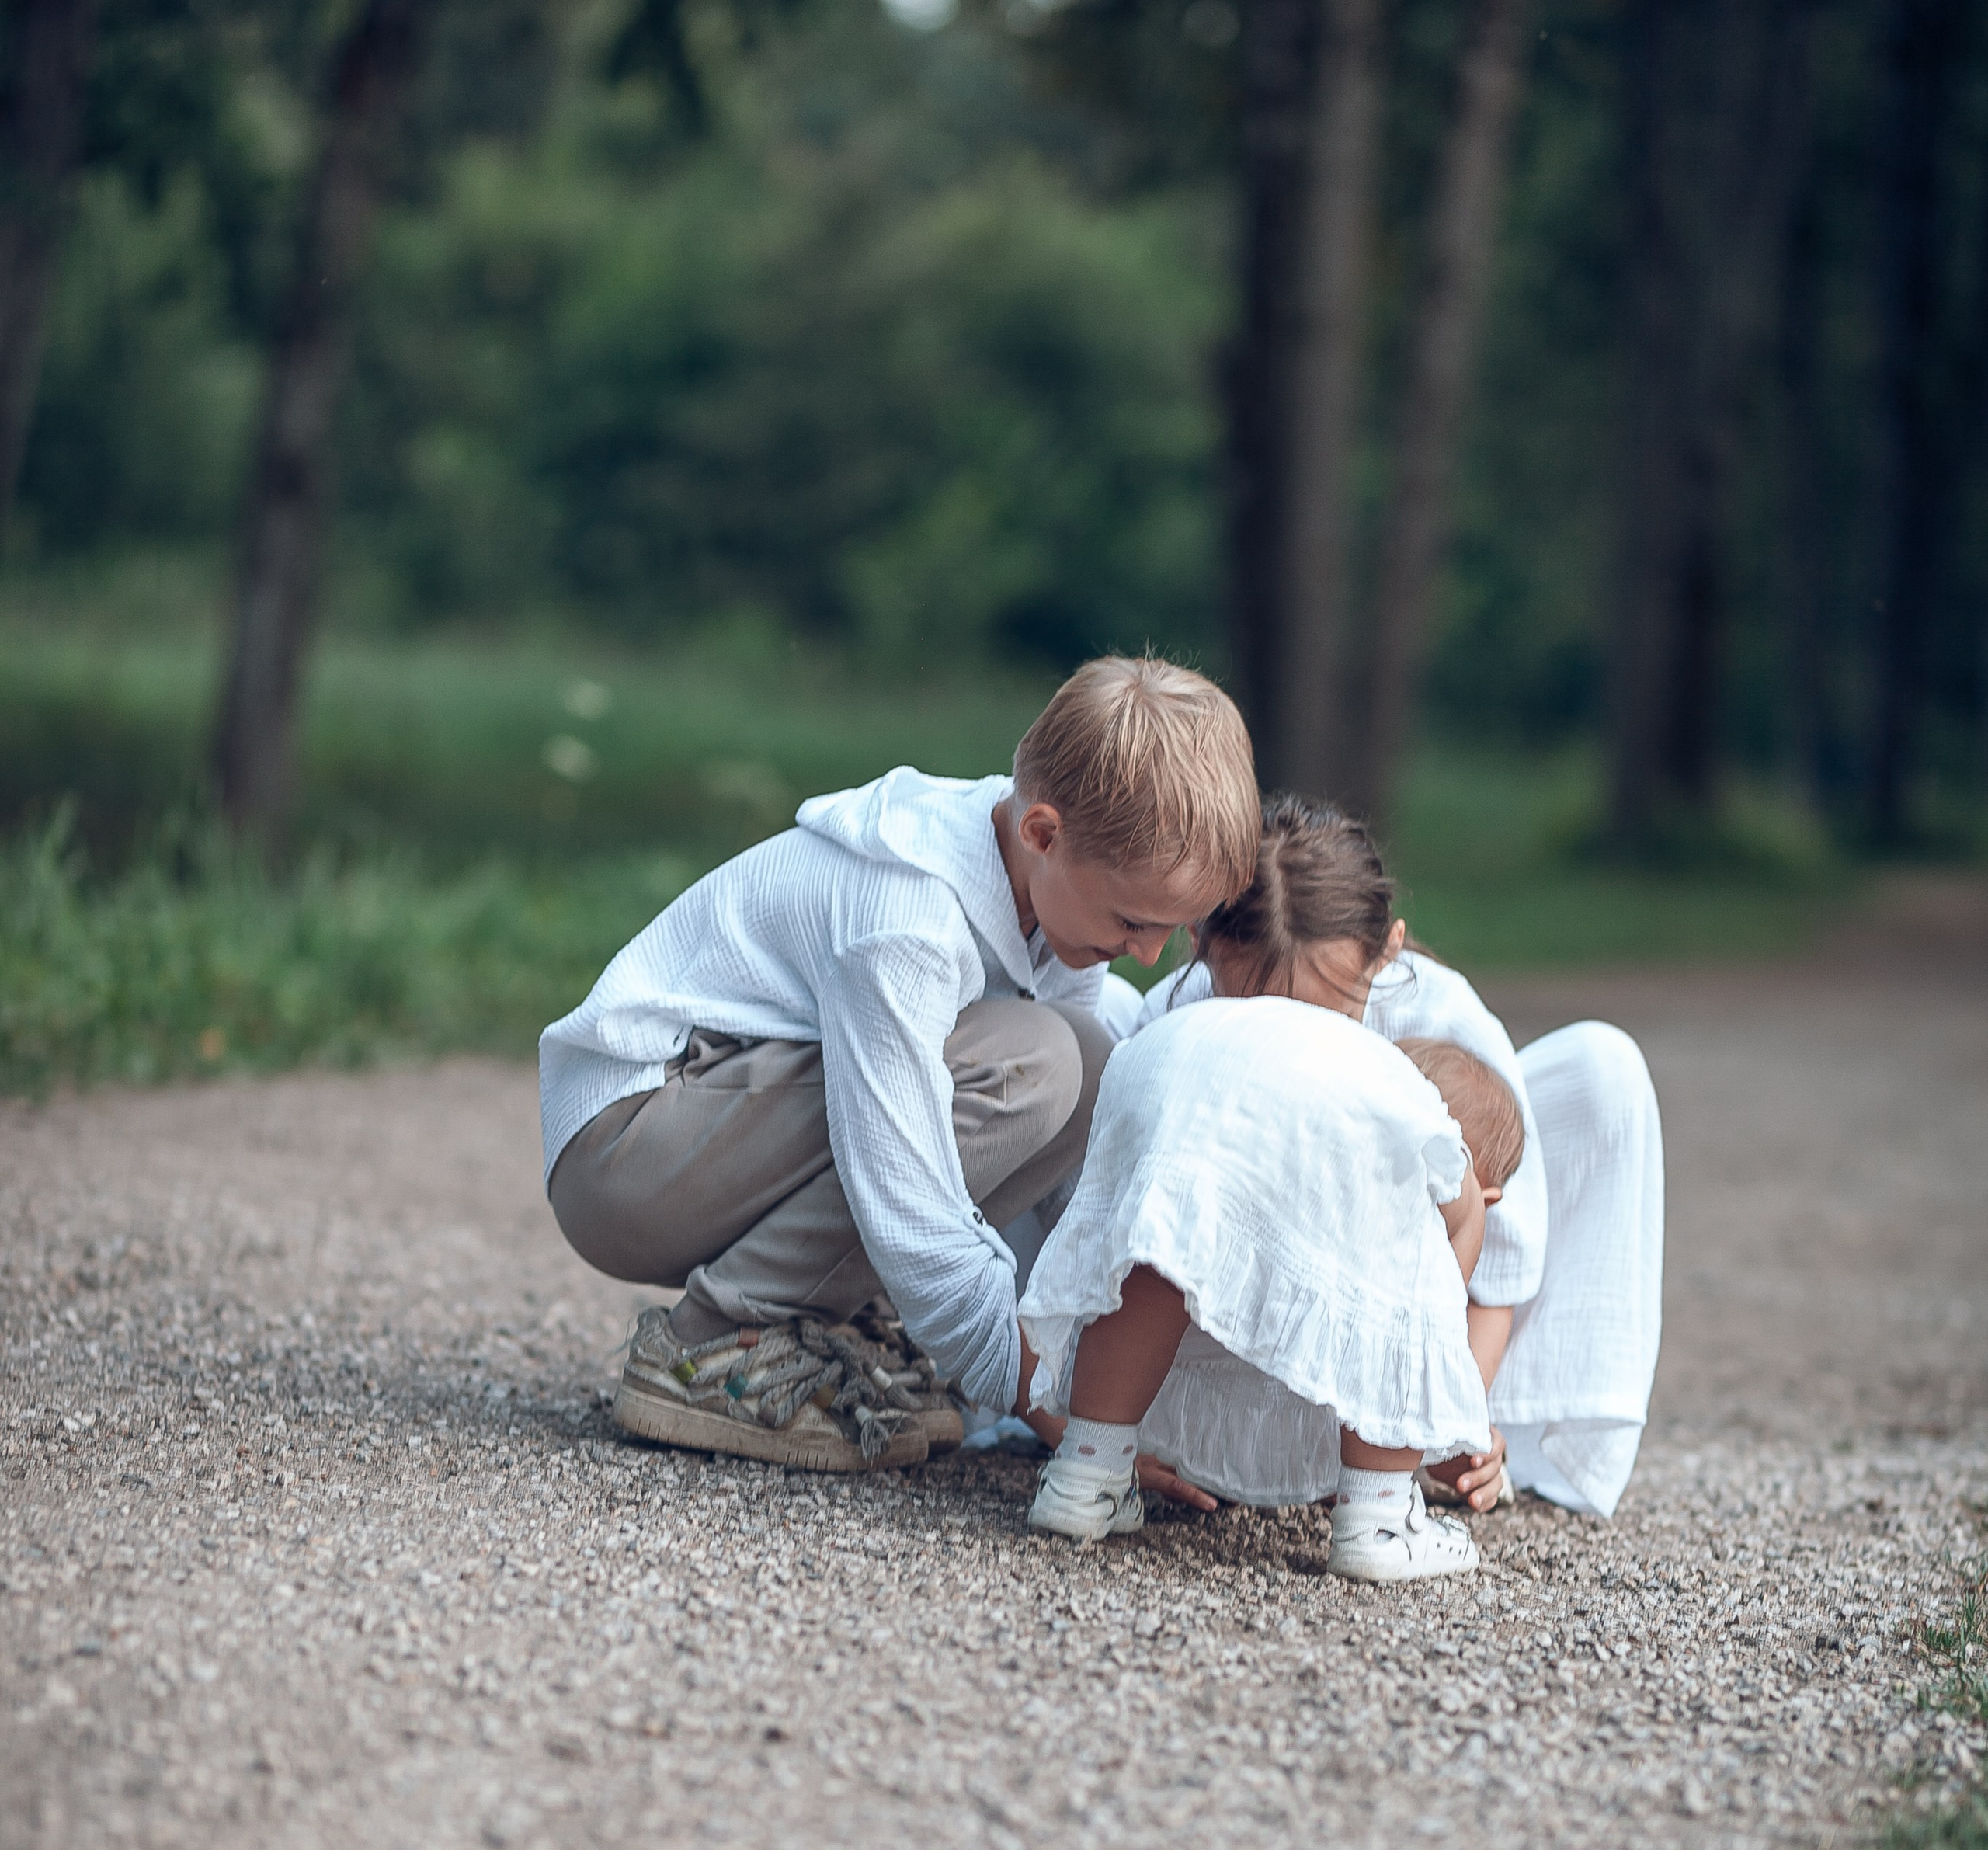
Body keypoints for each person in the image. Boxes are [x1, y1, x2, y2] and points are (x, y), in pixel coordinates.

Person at [537, 657, 1260, 1472]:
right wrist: (1061, 1414)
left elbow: (1075, 1172)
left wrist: (1140, 1362)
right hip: (627, 1152)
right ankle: (711, 1348)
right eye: (1133, 919)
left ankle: (832, 1323)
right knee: (1043, 1062)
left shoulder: (1054, 889)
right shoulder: (908, 922)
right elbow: (906, 1195)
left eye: (1170, 928)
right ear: (1043, 834)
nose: (1145, 952)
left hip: (721, 1127)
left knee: (1094, 1066)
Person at [1099, 795, 1664, 1519]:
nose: (1295, 1047)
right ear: (1203, 946)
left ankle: (1462, 1449)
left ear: (1387, 952)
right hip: (1225, 1338)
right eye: (1256, 1015)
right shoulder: (1178, 1018)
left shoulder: (1440, 1017)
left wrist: (1451, 1424)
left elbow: (1502, 1257)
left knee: (1602, 1068)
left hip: (1392, 1341)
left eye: (1324, 1017)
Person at [1019, 977, 1527, 1577]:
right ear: (1491, 1194)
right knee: (1407, 1301)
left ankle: (1084, 1475)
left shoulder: (1299, 1123)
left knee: (1161, 1259)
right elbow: (1417, 1352)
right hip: (1262, 1392)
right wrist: (1445, 1438)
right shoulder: (1443, 1188)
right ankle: (1382, 1520)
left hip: (1162, 1368)